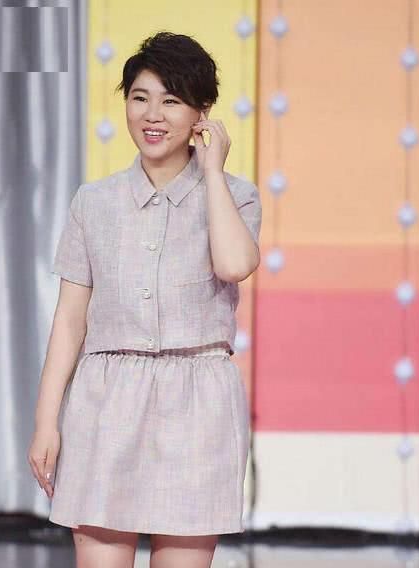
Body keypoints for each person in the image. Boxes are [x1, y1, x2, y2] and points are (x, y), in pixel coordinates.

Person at [28, 31, 262, 568]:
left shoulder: (236, 195)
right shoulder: (94, 202)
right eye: (140, 97)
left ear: (202, 113)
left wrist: (212, 171)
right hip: (106, 401)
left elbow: (234, 265)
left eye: (172, 100)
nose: (152, 115)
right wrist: (46, 421)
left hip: (198, 405)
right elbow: (69, 321)